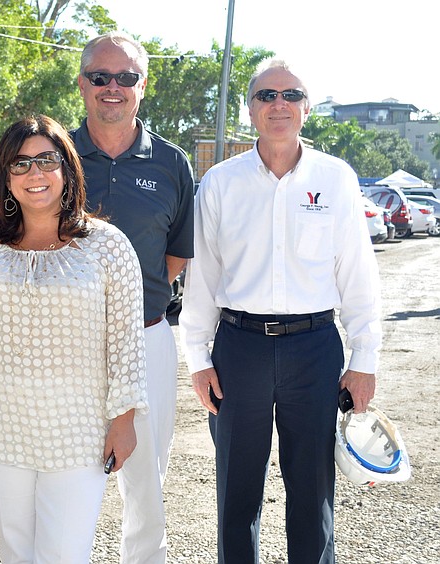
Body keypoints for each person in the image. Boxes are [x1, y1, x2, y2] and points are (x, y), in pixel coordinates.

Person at [179, 59, 382, 563]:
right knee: (236, 493)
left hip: (313, 348)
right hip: (238, 349)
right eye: (267, 95)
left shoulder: (335, 179)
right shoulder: (221, 183)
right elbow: (202, 276)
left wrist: (364, 360)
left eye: (291, 95)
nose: (279, 104)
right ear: (250, 110)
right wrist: (198, 359)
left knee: (312, 493)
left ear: (306, 109)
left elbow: (357, 273)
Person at [0, 114, 148, 563]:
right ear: (5, 177)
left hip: (76, 428)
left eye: (47, 160)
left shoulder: (108, 245)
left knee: (65, 553)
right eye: (20, 165)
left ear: (68, 168)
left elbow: (126, 343)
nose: (34, 174)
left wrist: (124, 421)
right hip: (0, 425)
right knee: (14, 552)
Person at [70, 31, 195, 563]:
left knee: (146, 480)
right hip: (65, 345)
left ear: (143, 86)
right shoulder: (53, 154)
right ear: (82, 85)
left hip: (147, 339)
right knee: (68, 476)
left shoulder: (172, 163)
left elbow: (176, 254)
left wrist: (133, 307)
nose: (112, 87)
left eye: (126, 78)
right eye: (101, 77)